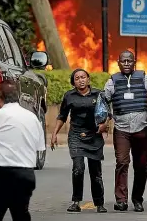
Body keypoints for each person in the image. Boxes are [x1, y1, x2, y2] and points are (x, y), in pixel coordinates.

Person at [0, 80, 45, 221]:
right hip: (26, 174)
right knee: (21, 214)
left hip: (1, 175)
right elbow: (39, 147)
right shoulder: (32, 118)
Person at [104, 50, 147, 212]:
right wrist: (105, 119)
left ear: (134, 62)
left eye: (129, 61)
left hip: (141, 129)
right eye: (123, 61)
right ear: (118, 62)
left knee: (141, 166)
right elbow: (103, 100)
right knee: (122, 162)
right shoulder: (112, 81)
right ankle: (121, 200)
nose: (126, 64)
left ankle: (137, 199)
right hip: (121, 130)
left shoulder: (144, 78)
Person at [51, 69, 109, 214]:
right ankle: (76, 202)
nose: (81, 80)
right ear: (73, 82)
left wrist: (104, 125)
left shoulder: (98, 94)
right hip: (76, 135)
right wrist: (54, 134)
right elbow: (62, 116)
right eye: (77, 78)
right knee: (78, 169)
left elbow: (108, 113)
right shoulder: (69, 96)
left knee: (95, 172)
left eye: (83, 77)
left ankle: (99, 203)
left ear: (88, 79)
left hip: (94, 135)